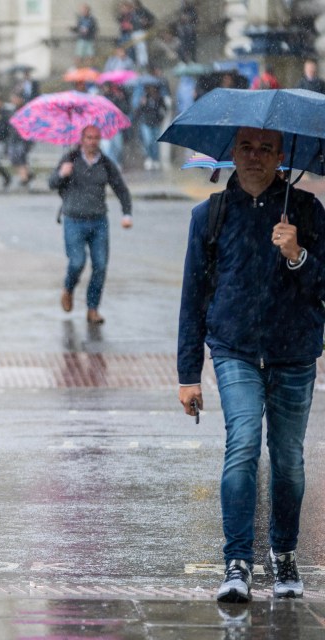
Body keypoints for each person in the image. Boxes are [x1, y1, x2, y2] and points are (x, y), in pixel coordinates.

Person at [177, 127, 325, 603]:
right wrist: (187, 374)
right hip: (234, 348)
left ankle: (283, 554)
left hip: (294, 351)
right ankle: (236, 561)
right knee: (242, 445)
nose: (255, 157)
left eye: (266, 149)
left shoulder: (306, 211)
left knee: (287, 461)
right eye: (246, 148)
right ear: (232, 154)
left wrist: (296, 254)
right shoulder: (211, 215)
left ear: (282, 156)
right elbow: (193, 295)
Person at [48, 125, 133, 325]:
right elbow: (51, 183)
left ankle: (93, 308)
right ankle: (68, 288)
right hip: (73, 220)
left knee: (100, 266)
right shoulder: (70, 159)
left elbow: (121, 189)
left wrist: (126, 213)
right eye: (88, 137)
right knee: (77, 262)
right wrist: (62, 174)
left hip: (98, 221)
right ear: (81, 139)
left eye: (96, 138)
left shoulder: (105, 163)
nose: (92, 141)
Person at [6, 92, 35, 187]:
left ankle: (24, 178)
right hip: (13, 138)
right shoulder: (13, 110)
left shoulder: (26, 110)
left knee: (20, 157)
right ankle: (27, 174)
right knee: (14, 158)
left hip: (23, 139)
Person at [134, 83, 166, 170]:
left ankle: (155, 159)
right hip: (146, 123)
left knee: (155, 142)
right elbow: (138, 112)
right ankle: (149, 157)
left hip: (156, 123)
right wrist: (142, 104)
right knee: (148, 141)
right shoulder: (144, 98)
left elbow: (164, 109)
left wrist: (161, 119)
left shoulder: (159, 98)